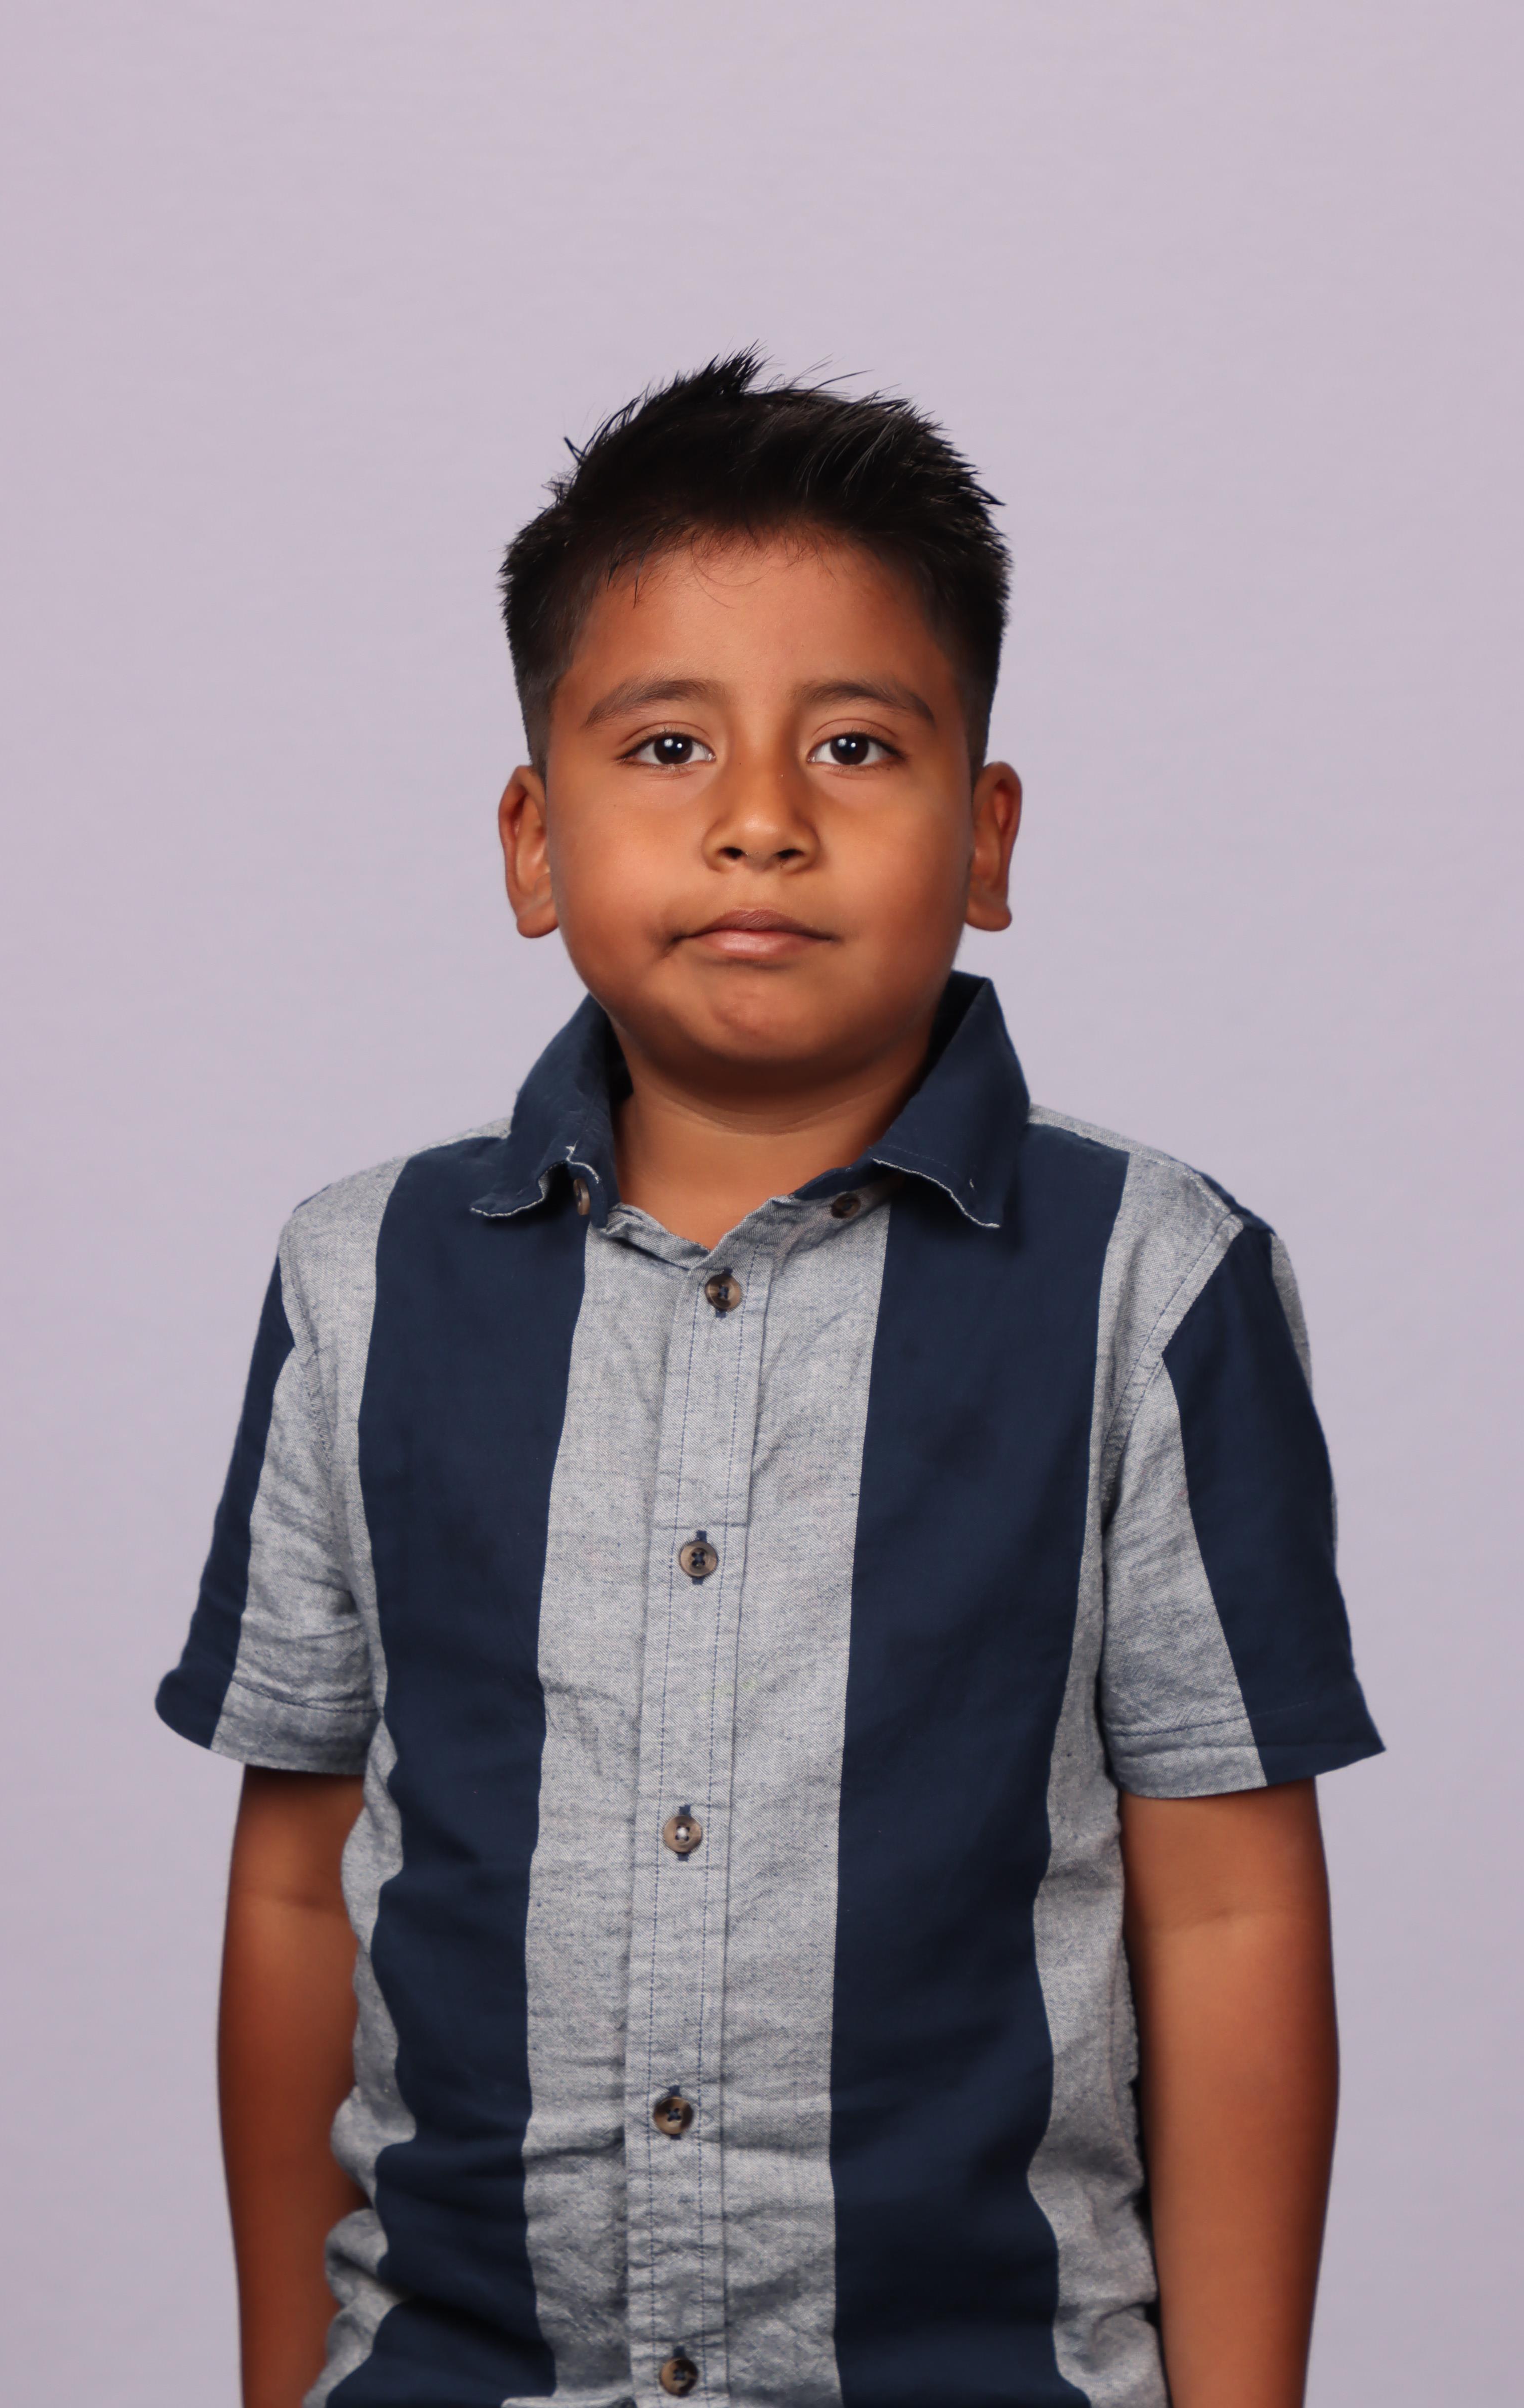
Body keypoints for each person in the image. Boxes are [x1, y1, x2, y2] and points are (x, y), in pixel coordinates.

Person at [157, 353, 1382, 2408]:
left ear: (985, 836)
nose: (758, 821)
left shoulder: (1151, 1284)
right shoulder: (359, 1279)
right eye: (665, 745)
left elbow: (1229, 1921)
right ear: (531, 841)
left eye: (852, 745)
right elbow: (299, 1880)